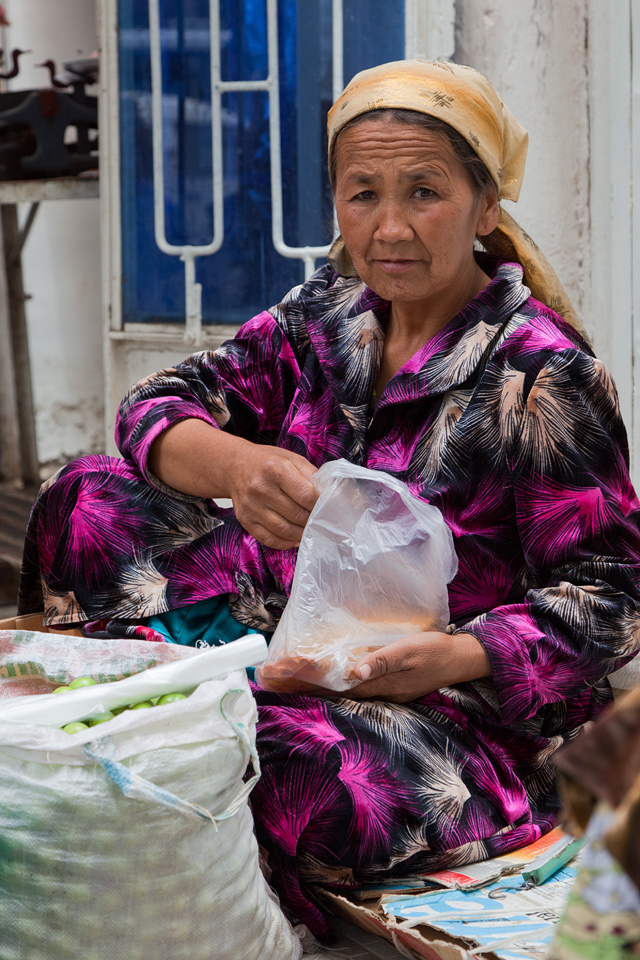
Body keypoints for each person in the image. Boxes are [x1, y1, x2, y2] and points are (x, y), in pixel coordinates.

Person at [18, 60, 640, 940]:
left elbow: (612, 594)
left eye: (425, 192)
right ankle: (203, 693)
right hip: (288, 636)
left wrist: (451, 656)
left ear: (486, 206)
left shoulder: (540, 377)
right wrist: (237, 466)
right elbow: (156, 405)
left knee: (275, 762)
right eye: (362, 195)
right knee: (87, 498)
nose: (389, 228)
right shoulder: (328, 316)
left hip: (442, 716)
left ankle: (198, 702)